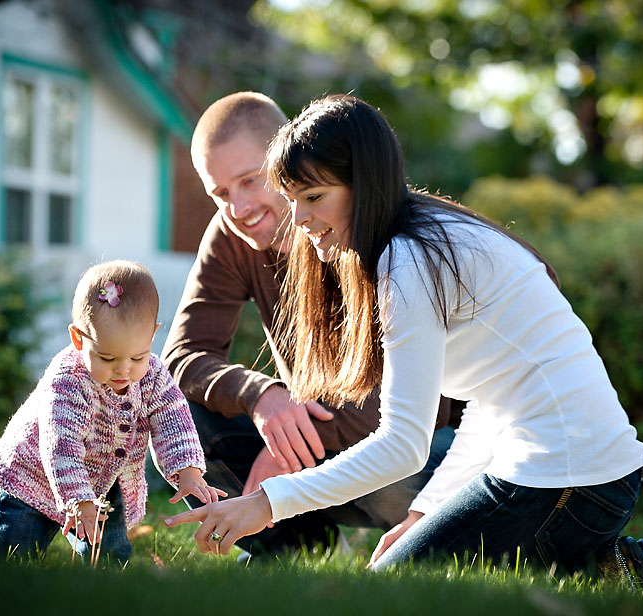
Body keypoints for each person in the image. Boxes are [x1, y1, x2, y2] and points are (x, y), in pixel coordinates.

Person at [164, 94, 643, 577]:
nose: (300, 219)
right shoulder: (413, 236)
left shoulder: (408, 262)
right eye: (294, 200)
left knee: (395, 586)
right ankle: (595, 557)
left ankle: (597, 560)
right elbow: (491, 402)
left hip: (573, 479)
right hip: (575, 471)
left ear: (362, 182)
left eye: (313, 198)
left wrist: (267, 504)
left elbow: (404, 445)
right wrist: (425, 514)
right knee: (399, 571)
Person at [161, 92, 460, 558]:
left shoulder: (362, 222)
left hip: (428, 446)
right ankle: (300, 551)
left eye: (249, 181)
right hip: (320, 434)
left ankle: (452, 536)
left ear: (286, 160)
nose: (238, 208)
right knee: (186, 421)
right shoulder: (231, 237)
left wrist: (293, 444)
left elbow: (416, 406)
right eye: (220, 194)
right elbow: (181, 357)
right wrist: (262, 396)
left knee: (389, 479)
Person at [0, 260, 224, 567]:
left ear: (152, 336)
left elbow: (172, 418)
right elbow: (61, 445)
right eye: (107, 358)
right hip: (33, 474)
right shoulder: (68, 381)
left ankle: (104, 593)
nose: (123, 370)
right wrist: (79, 500)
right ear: (78, 339)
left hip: (105, 477)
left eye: (136, 356)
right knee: (16, 553)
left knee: (109, 554)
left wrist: (188, 471)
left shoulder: (152, 373)